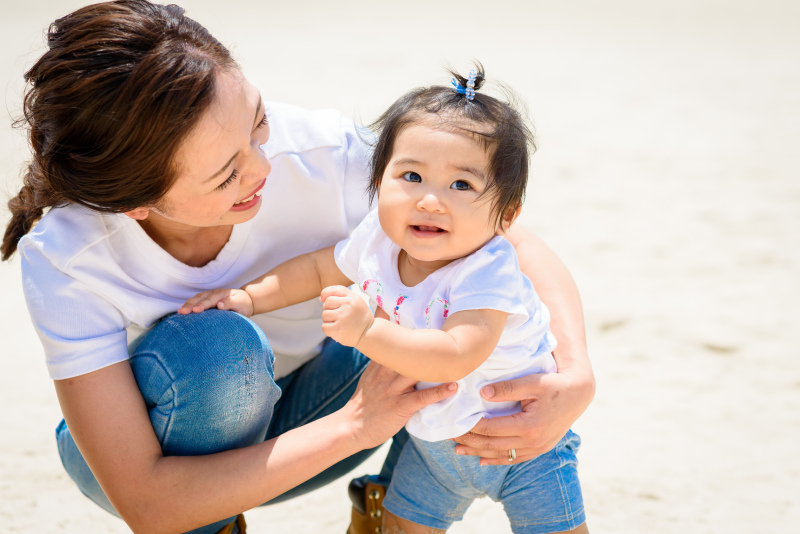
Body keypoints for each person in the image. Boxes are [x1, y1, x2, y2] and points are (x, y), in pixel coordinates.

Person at [1, 1, 595, 533]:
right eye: (226, 174)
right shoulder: (69, 259)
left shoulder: (326, 156)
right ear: (137, 204)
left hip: (326, 394)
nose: (263, 167)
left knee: (418, 300)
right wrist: (355, 425)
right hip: (166, 451)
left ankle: (392, 502)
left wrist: (574, 376)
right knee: (215, 345)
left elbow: (507, 246)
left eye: (257, 124)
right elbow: (147, 502)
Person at [180, 66, 587, 534]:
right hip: (432, 447)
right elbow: (318, 269)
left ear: (506, 215)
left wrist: (367, 331)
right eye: (411, 176)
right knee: (396, 526)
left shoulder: (487, 270)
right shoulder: (379, 238)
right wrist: (250, 298)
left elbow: (456, 354)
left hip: (523, 443)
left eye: (461, 185)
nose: (429, 200)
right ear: (378, 182)